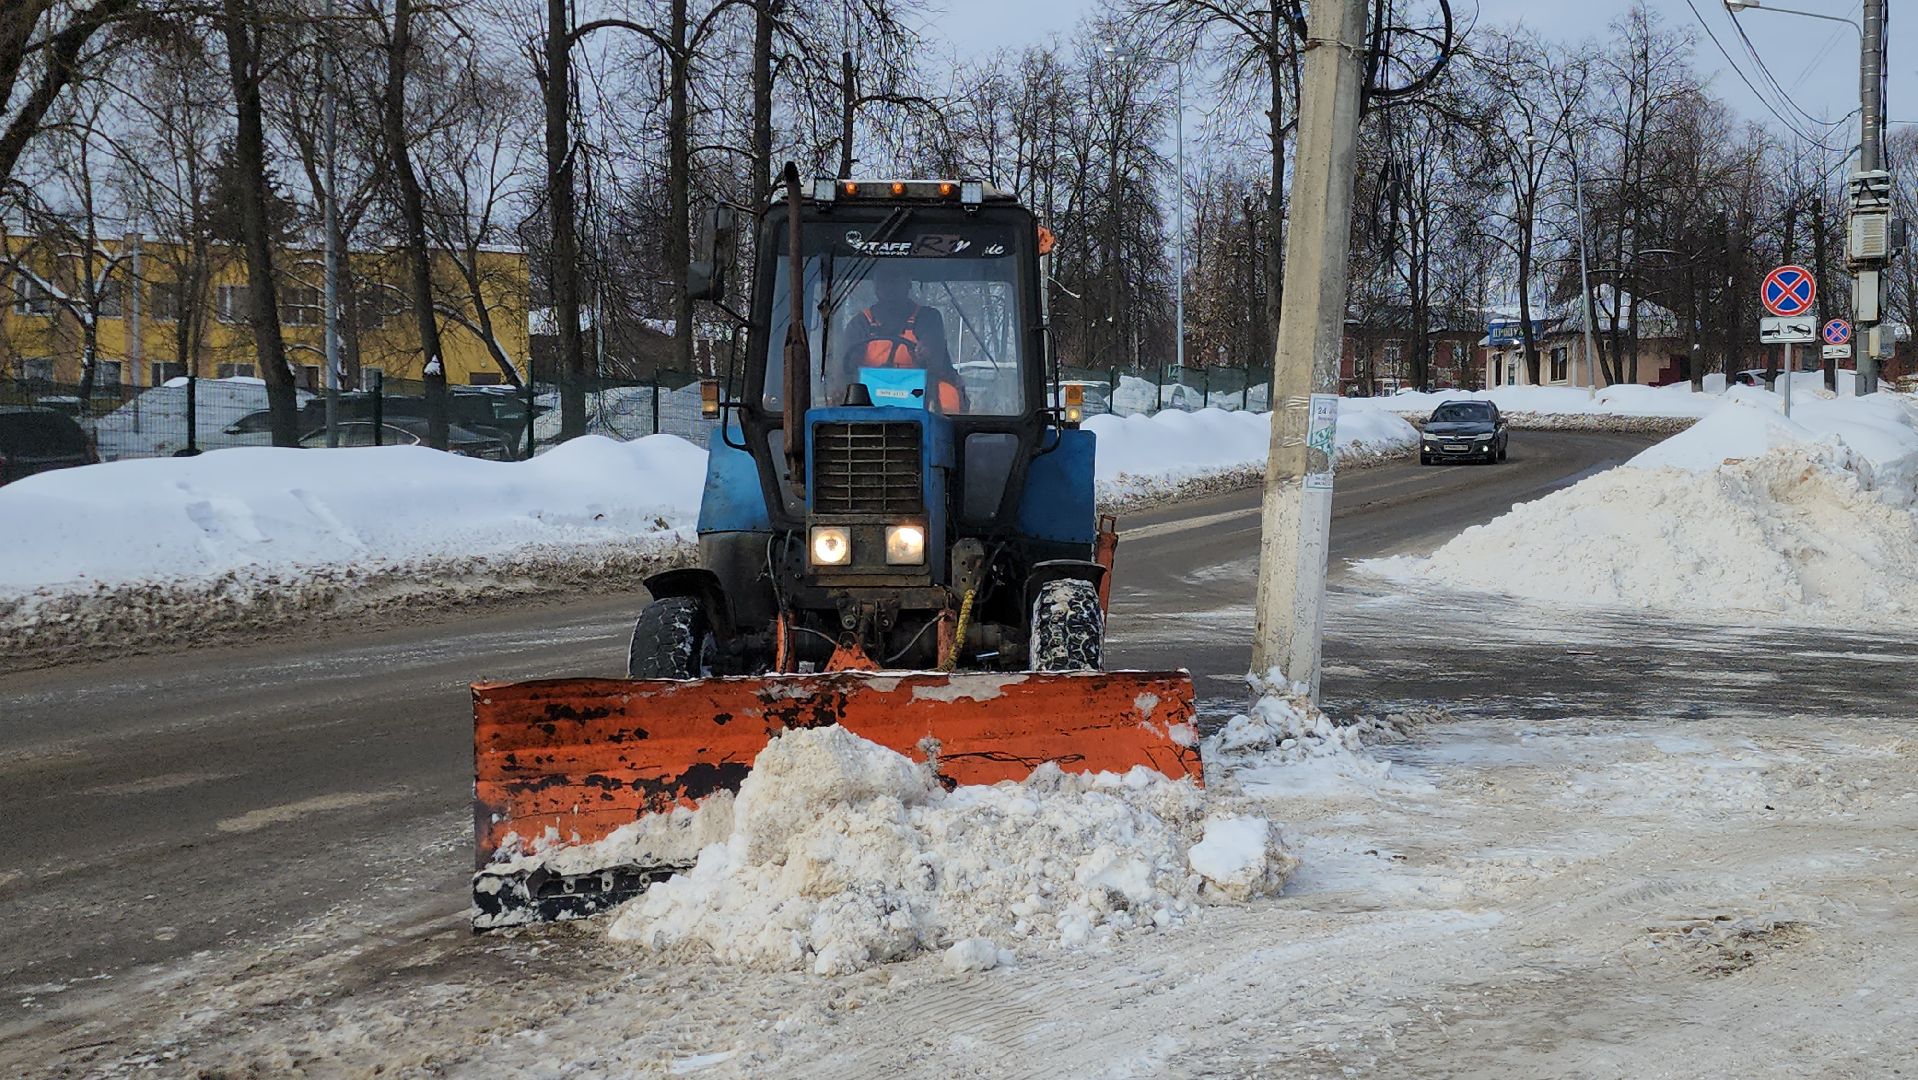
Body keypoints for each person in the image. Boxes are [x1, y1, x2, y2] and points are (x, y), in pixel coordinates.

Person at [839, 267, 966, 412]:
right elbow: (845, 368)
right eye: (883, 280)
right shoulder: (860, 324)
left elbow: (935, 356)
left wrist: (925, 353)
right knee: (839, 396)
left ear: (908, 282)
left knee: (948, 396)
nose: (889, 286)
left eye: (895, 279)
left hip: (922, 398)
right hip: (867, 404)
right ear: (875, 285)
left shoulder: (928, 318)